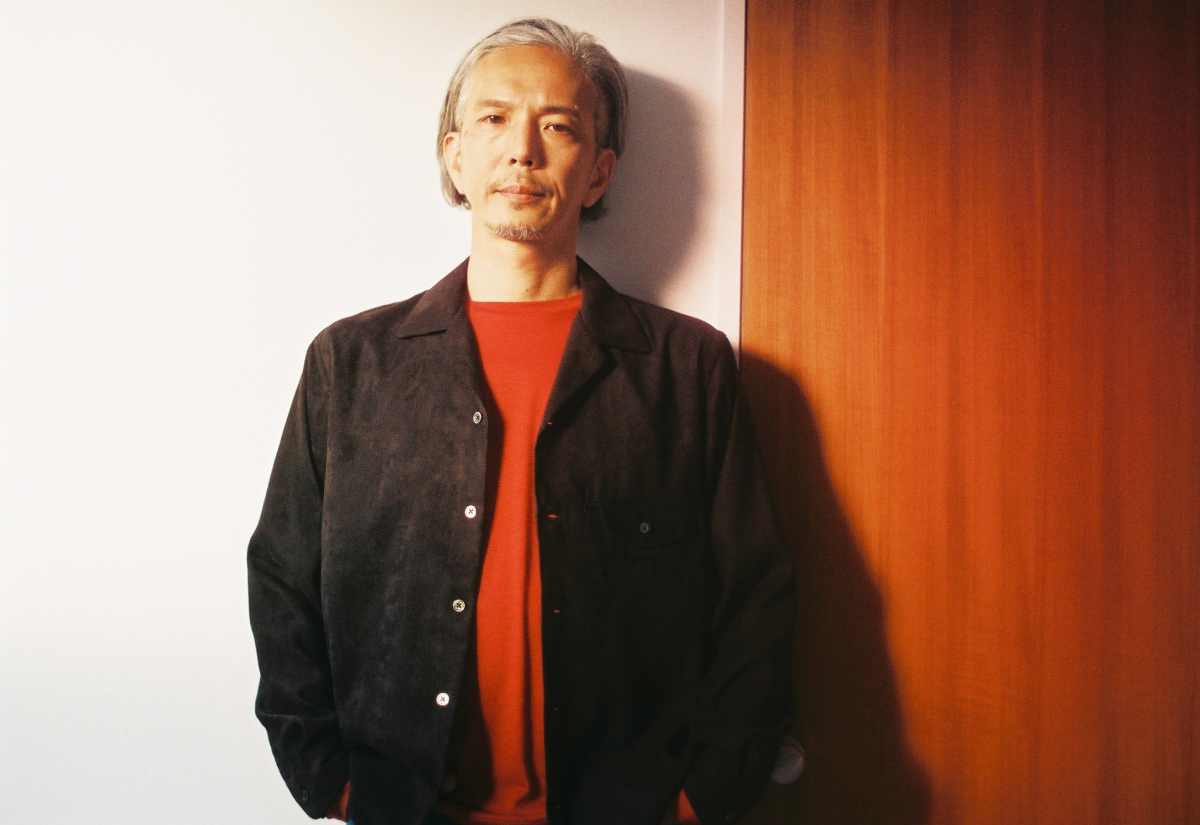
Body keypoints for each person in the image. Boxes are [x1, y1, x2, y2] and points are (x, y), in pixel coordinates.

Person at [247, 18, 794, 825]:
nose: (523, 151)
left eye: (559, 125)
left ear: (599, 171)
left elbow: (756, 595)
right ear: (455, 157)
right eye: (495, 118)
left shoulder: (687, 369)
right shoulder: (350, 362)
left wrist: (700, 796)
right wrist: (329, 778)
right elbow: (282, 576)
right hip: (404, 805)